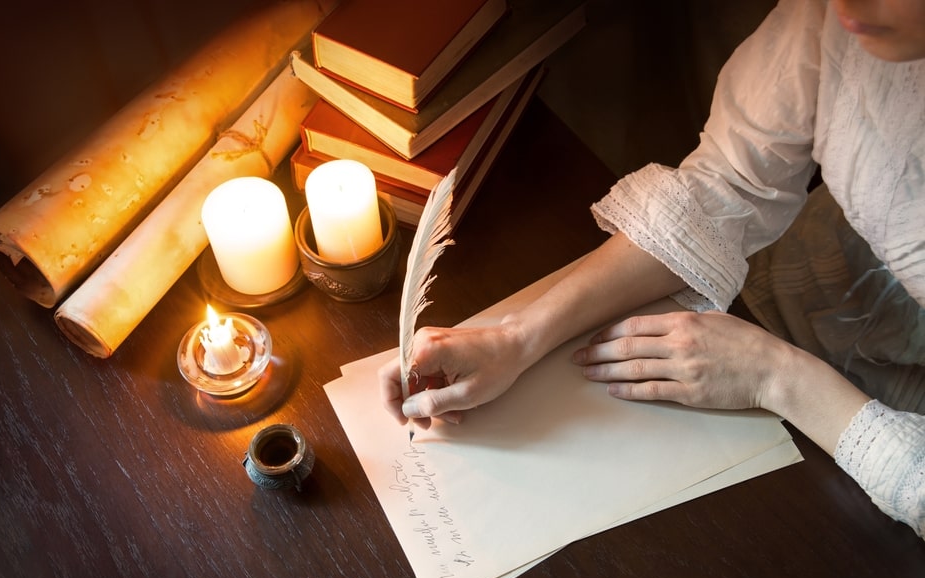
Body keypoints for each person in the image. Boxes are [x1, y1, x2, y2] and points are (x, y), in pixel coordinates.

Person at [378, 0, 925, 538]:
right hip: (801, 290)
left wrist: (775, 375)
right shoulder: (836, 12)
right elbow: (730, 183)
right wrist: (516, 337)